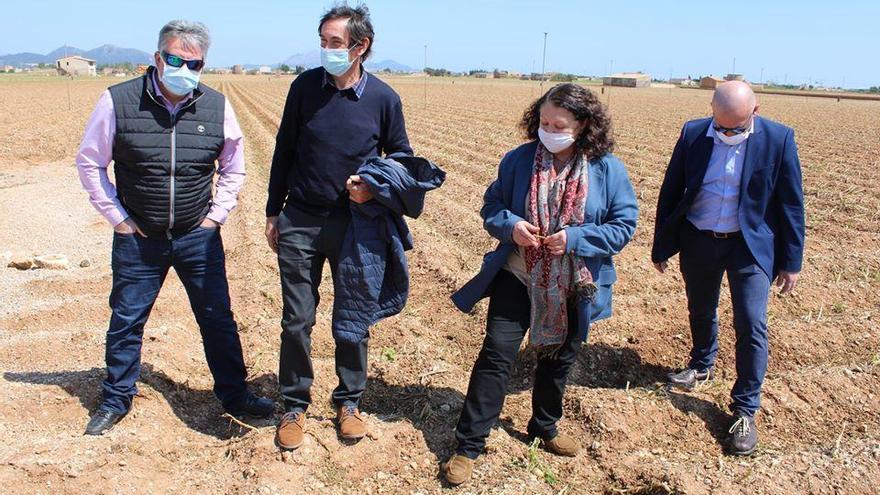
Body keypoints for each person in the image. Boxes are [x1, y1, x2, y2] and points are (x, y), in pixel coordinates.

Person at [75, 20, 274, 435]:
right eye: (175, 59)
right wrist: (120, 219)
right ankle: (116, 399)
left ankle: (235, 396)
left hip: (195, 238)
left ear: (203, 65)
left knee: (217, 318)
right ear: (157, 58)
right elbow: (91, 163)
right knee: (127, 319)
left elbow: (234, 168)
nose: (183, 68)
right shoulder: (118, 101)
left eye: (193, 63)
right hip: (139, 240)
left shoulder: (217, 106)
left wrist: (214, 218)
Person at [444, 83, 638, 486]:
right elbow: (492, 207)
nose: (549, 130)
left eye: (559, 124)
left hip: (574, 283)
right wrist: (512, 226)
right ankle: (468, 445)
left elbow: (624, 226)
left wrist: (576, 239)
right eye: (544, 121)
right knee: (496, 355)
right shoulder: (517, 161)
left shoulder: (607, 169)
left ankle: (544, 426)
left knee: (558, 359)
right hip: (519, 274)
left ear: (583, 125)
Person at [265, 3, 413, 450]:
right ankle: (294, 404)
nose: (327, 49)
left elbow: (402, 158)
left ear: (360, 46)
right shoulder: (304, 88)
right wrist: (274, 211)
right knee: (297, 319)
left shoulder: (383, 98)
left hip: (357, 226)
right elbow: (284, 150)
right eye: (323, 41)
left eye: (335, 43)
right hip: (301, 221)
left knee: (353, 319)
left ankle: (349, 402)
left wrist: (373, 188)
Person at [651, 81, 805, 455]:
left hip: (748, 246)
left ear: (755, 111)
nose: (727, 133)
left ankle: (745, 410)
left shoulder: (778, 138)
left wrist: (791, 261)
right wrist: (662, 245)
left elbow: (791, 203)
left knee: (751, 322)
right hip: (699, 239)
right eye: (721, 126)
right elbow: (671, 190)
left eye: (735, 128)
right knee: (700, 308)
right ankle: (702, 364)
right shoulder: (693, 132)